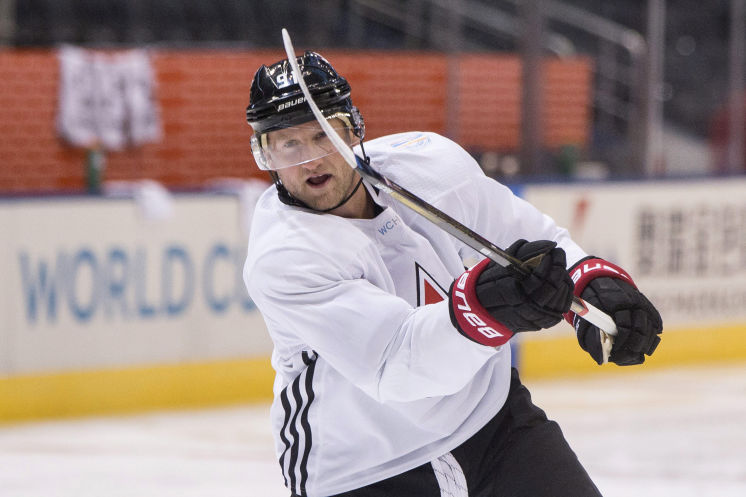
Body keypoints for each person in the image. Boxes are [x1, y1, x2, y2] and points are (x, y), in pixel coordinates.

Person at [243, 51, 663, 497]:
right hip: (361, 466)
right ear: (264, 155)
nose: (311, 160)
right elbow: (397, 366)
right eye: (288, 145)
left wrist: (592, 283)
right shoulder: (284, 257)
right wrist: (486, 309)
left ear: (353, 129)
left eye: (324, 134)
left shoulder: (429, 166)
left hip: (492, 424)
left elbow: (529, 234)